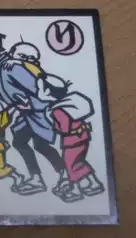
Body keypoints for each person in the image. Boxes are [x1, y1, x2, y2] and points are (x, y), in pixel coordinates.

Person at [0, 26, 66, 195]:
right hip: (23, 115)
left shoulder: (11, 66)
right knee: (20, 143)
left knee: (41, 145)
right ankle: (37, 178)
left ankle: (64, 174)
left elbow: (41, 90)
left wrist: (30, 105)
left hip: (38, 114)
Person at [37, 74, 105, 202]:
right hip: (83, 137)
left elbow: (64, 128)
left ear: (47, 91)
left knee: (70, 164)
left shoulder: (57, 110)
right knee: (78, 162)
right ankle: (94, 183)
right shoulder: (70, 103)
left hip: (72, 141)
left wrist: (55, 126)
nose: (37, 91)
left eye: (39, 88)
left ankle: (75, 190)